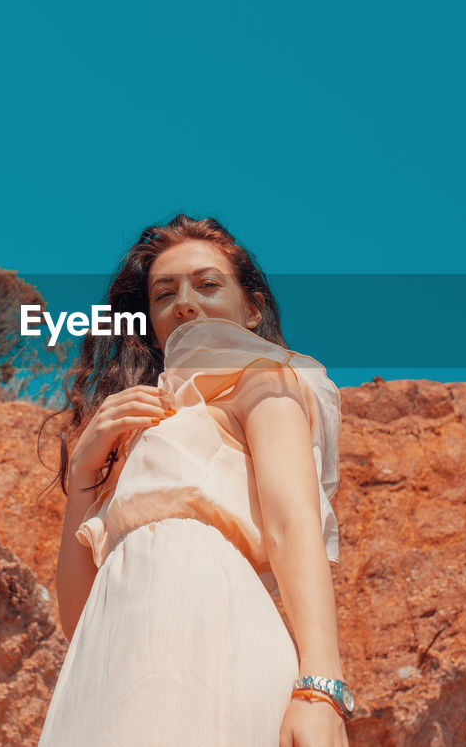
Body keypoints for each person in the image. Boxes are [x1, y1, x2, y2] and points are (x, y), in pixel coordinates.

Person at [36, 214, 352, 746]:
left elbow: (291, 523)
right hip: (108, 666)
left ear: (251, 310)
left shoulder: (261, 376)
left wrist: (321, 688)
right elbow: (79, 619)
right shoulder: (137, 427)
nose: (184, 303)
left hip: (211, 635)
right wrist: (86, 469)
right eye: (164, 295)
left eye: (208, 285)